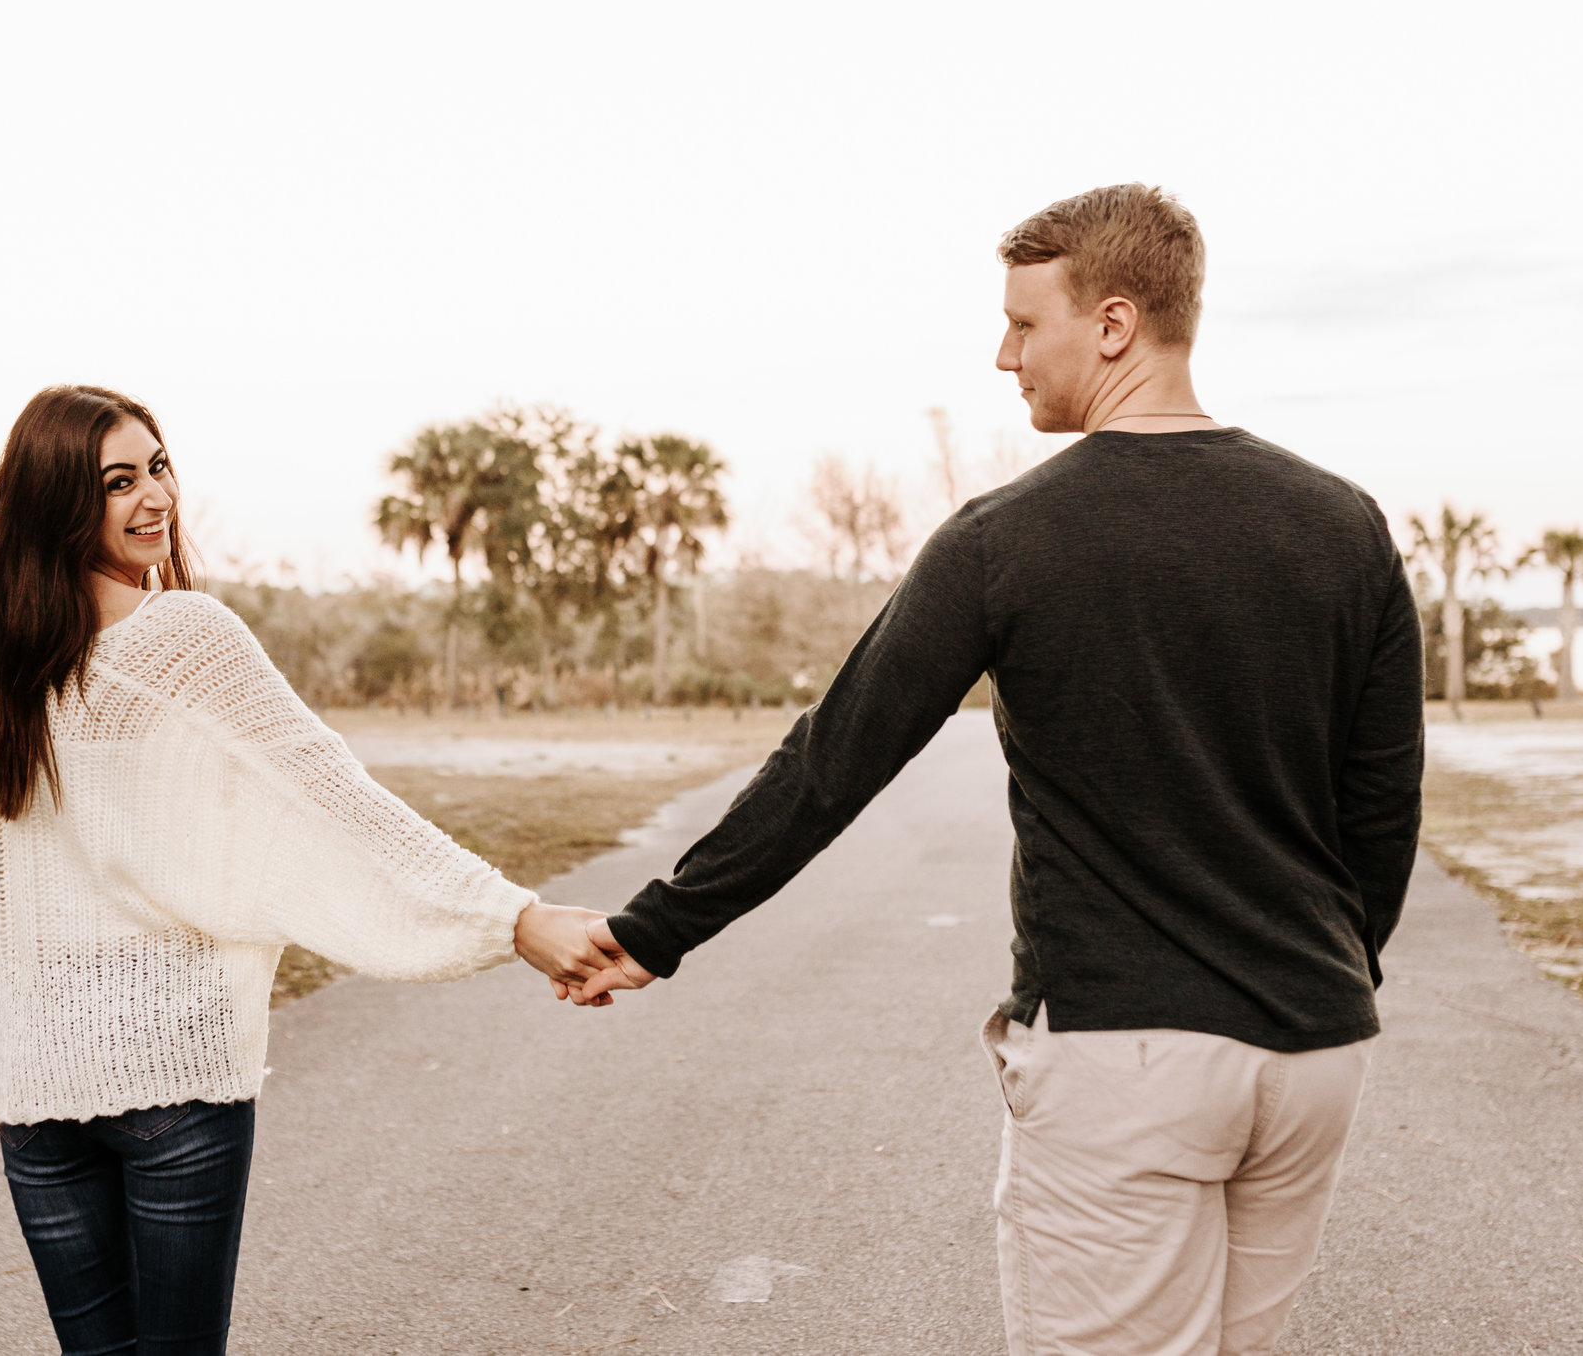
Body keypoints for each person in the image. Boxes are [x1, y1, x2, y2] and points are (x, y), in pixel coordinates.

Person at [571, 185, 1425, 1356]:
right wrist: (1333, 970)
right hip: (1315, 1051)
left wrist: (655, 928)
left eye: (1026, 324)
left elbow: (834, 759)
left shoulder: (1004, 538)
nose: (1002, 353)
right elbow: (1379, 807)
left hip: (1123, 1060)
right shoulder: (1346, 525)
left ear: (1113, 324)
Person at [0, 384, 611, 1356]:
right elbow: (333, 802)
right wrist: (514, 920)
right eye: (115, 482)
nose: (153, 497)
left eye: (157, 466)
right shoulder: (182, 636)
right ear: (57, 505)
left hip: (37, 1093)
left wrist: (14, 1045)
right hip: (171, 1077)